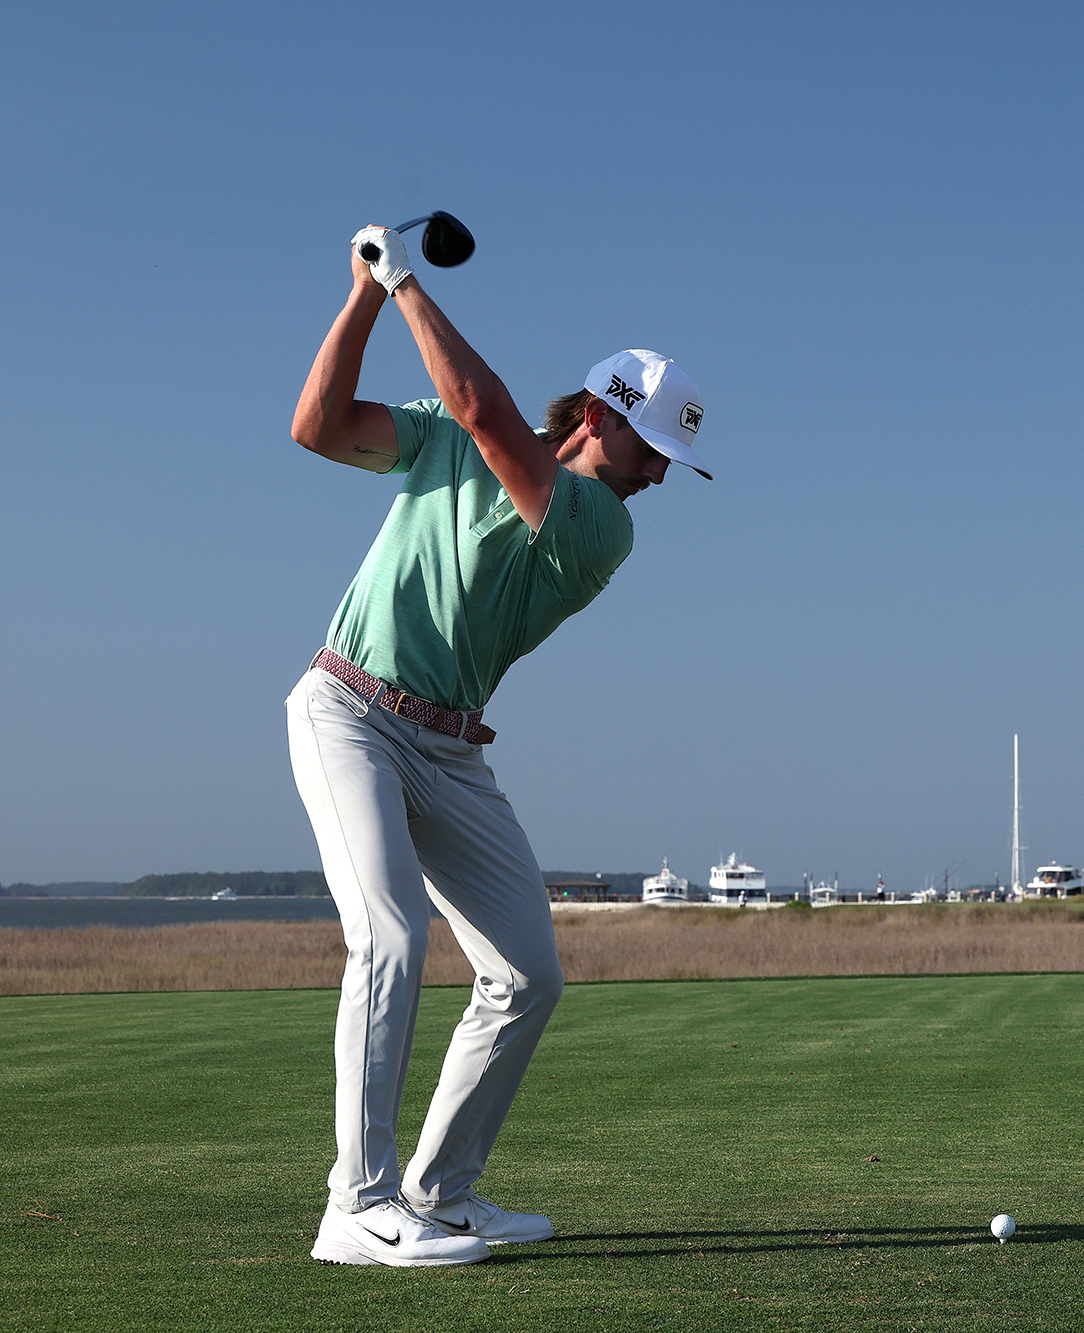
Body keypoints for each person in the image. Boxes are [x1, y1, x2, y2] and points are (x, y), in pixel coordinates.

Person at [286, 224, 711, 1266]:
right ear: (603, 414)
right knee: (388, 937)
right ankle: (358, 1204)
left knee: (526, 973)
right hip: (347, 711)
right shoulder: (439, 435)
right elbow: (317, 426)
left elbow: (486, 415)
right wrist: (363, 298)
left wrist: (405, 281)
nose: (660, 475)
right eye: (654, 448)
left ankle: (441, 1191)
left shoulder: (599, 527)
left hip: (448, 753)